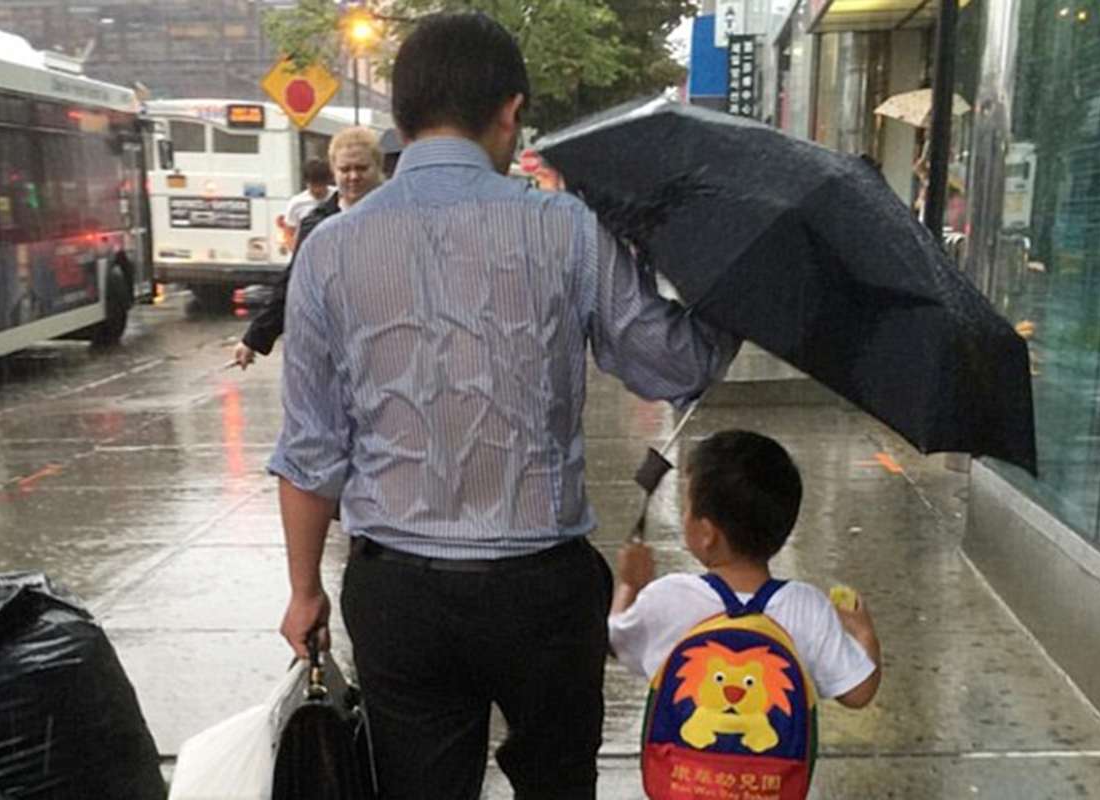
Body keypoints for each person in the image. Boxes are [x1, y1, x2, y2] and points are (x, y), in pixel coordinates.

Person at [268, 12, 739, 799]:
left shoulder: (328, 251)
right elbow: (674, 364)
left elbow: (311, 449)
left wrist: (304, 589)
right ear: (511, 110)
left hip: (399, 596)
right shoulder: (568, 229)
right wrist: (713, 279)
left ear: (399, 119)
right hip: (542, 596)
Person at [609, 430, 882, 715]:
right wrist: (864, 632)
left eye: (687, 507)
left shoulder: (668, 597)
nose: (684, 515)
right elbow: (859, 692)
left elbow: (614, 639)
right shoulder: (808, 607)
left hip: (685, 747)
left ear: (707, 533)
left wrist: (630, 586)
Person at [232, 127, 383, 369]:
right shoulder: (316, 224)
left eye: (362, 168)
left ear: (378, 167)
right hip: (333, 349)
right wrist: (254, 339)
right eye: (345, 169)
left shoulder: (400, 217)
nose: (353, 176)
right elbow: (293, 284)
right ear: (334, 171)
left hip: (388, 347)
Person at [280, 157, 334, 252]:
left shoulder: (338, 196)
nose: (317, 190)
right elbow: (289, 233)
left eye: (320, 185)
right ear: (306, 183)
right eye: (313, 185)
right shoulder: (297, 203)